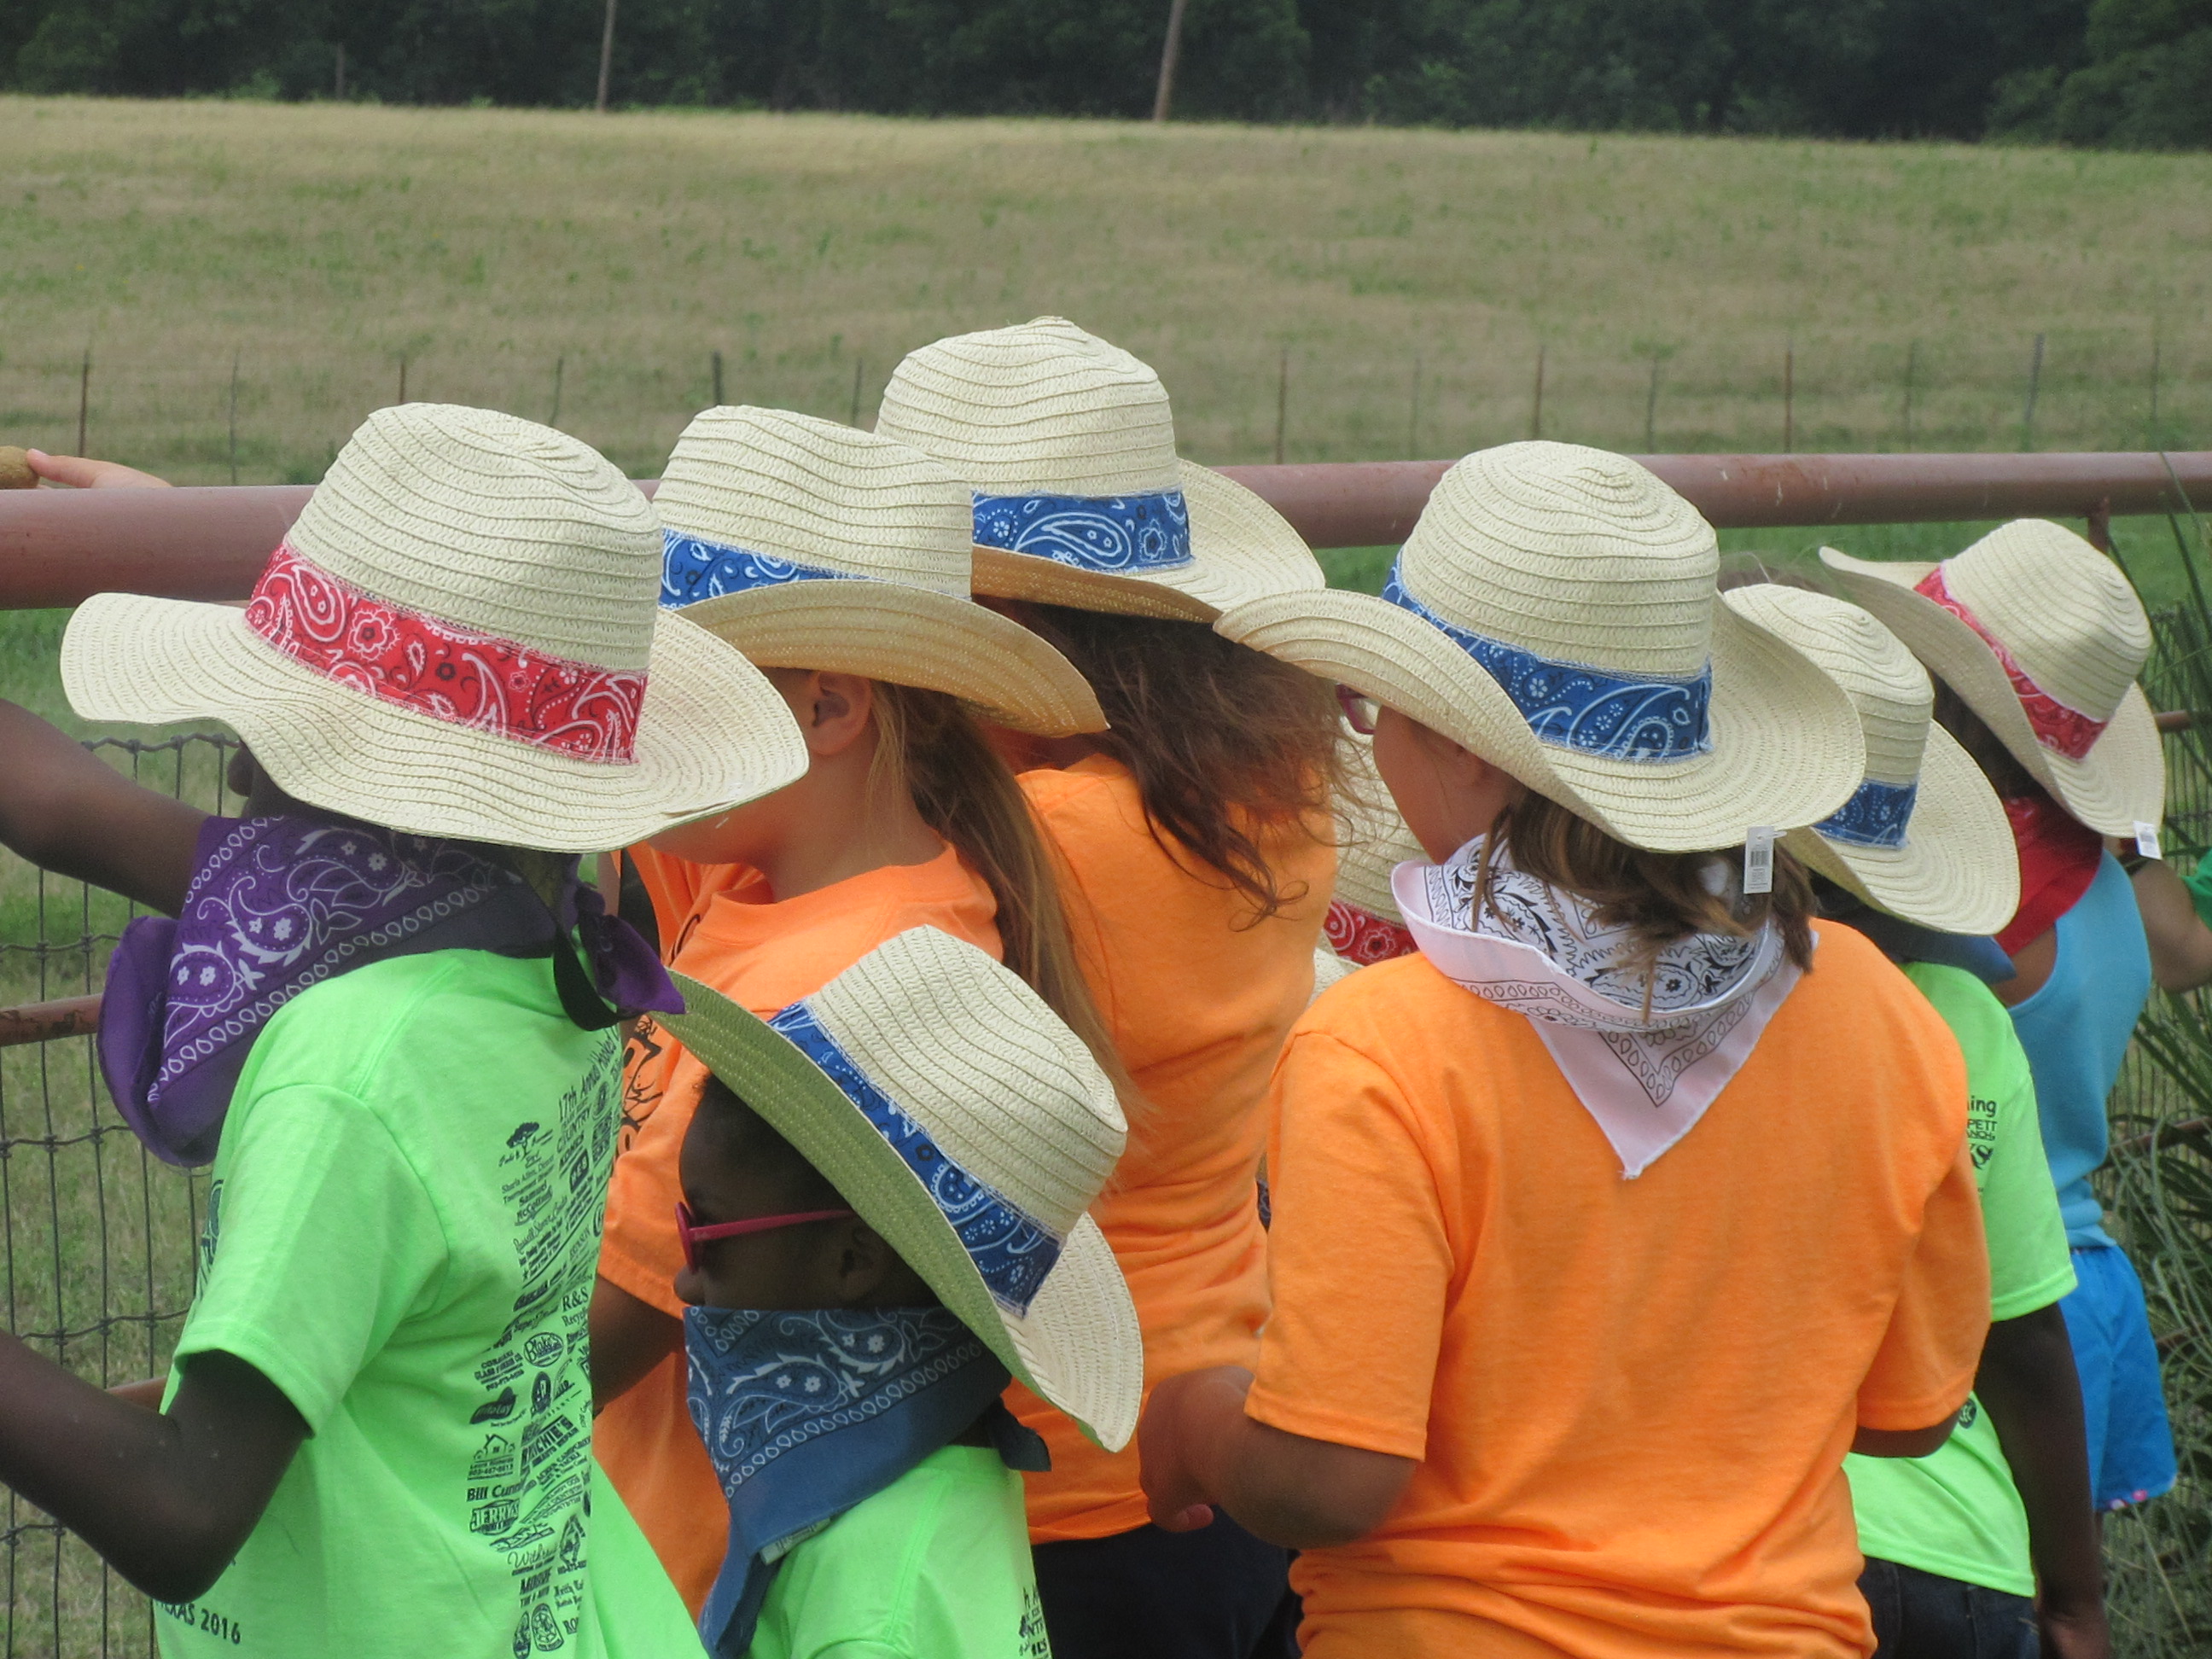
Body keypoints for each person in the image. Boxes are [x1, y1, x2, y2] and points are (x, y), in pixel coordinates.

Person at [1142, 439, 1994, 1659]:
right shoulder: (1879, 1016)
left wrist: (1196, 1425)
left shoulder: (1384, 1047)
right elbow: (1911, 1415)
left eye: (1383, 709)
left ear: (1470, 747)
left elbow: (1331, 1478)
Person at [0, 403, 811, 1657]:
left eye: (273, 731)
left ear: (377, 801)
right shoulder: (541, 931)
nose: (233, 776)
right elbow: (72, 808)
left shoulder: (356, 1068)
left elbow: (182, 1503)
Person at [589, 403, 1115, 1611]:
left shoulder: (811, 1001)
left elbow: (588, 1348)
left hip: (676, 1586)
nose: (629, 713)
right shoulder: (788, 874)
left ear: (828, 711)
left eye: (672, 683)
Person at [877, 317, 1342, 1658]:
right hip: (1212, 1426)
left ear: (998, 630)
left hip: (1044, 1483)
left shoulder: (1033, 846)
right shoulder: (1265, 796)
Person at [1726, 581, 2108, 1659]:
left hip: (1746, 1550)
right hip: (1962, 1555)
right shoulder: (1962, 1027)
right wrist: (2074, 1598)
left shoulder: (1641, 1018)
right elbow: (2023, 1336)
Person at [655, 924, 1141, 1659]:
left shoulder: (867, 1606)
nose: (684, 1278)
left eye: (707, 1235)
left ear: (853, 1262)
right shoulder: (956, 1467)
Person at [1825, 523, 2181, 1518]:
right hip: (2087, 1285)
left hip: (1982, 1308)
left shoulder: (1966, 919)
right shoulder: (2107, 883)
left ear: (1955, 716)